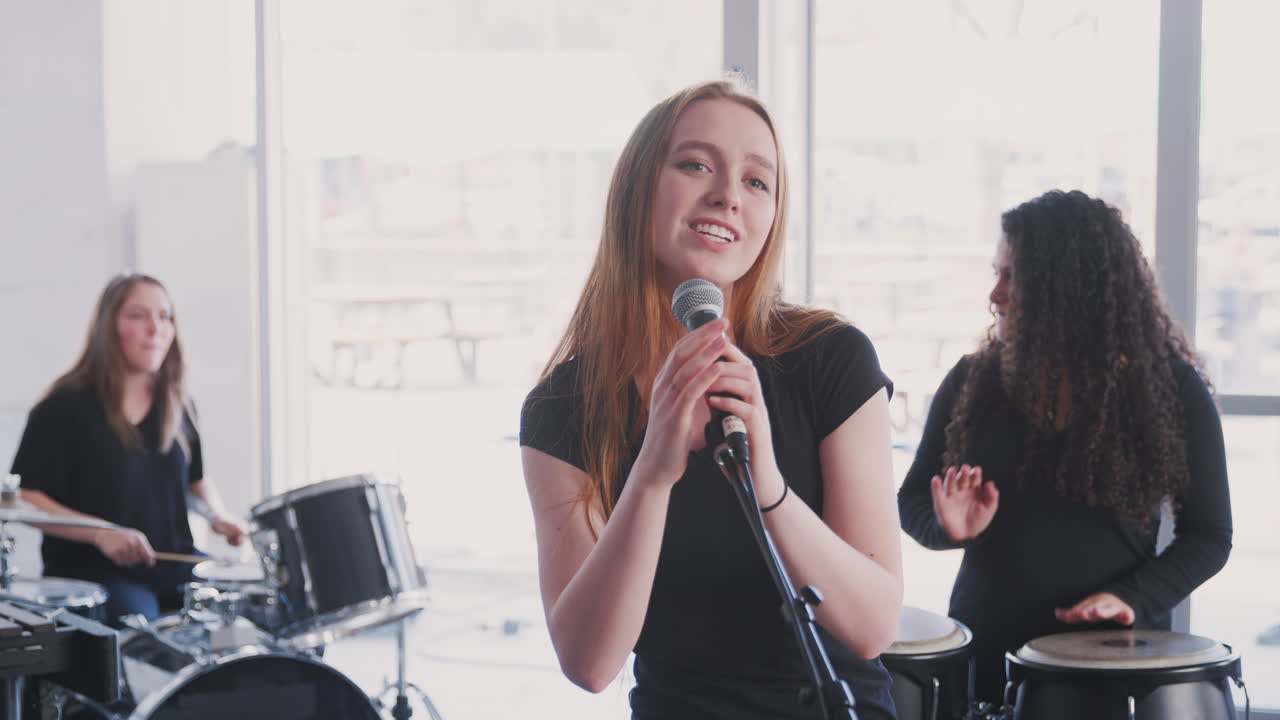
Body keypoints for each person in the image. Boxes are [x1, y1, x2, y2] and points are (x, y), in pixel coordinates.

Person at [519, 78, 903, 719]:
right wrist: (652, 474)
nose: (727, 194)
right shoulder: (564, 408)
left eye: (758, 181)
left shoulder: (832, 359)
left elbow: (871, 626)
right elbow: (589, 663)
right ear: (638, 189)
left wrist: (769, 482)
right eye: (696, 164)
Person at [898, 189, 1233, 704]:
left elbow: (1209, 536)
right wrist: (946, 528)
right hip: (989, 657)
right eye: (997, 271)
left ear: (1067, 290)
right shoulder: (972, 381)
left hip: (1115, 666)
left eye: (1014, 276)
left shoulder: (1170, 389)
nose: (995, 293)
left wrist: (1130, 598)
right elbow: (912, 501)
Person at [11, 273, 247, 623]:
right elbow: (26, 496)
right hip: (97, 576)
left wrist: (217, 515)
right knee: (143, 636)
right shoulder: (63, 406)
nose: (156, 328)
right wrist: (101, 533)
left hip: (176, 568)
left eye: (165, 317)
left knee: (268, 618)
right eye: (138, 316)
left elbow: (196, 481)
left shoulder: (179, 405)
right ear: (109, 327)